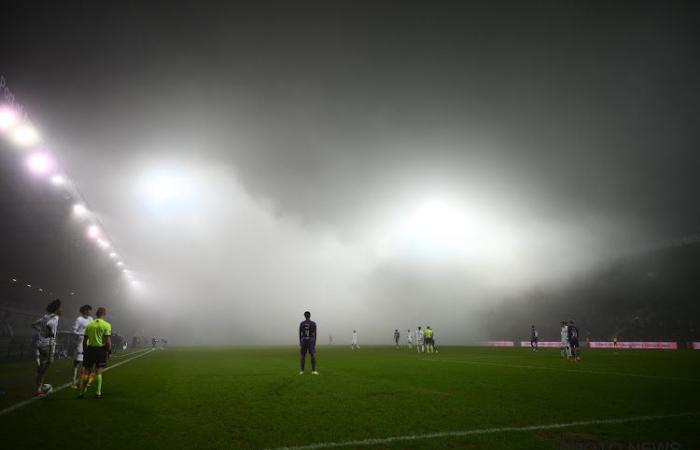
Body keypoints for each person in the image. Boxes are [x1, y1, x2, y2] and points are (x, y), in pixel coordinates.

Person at [31, 299, 63, 397]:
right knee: (46, 365)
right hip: (48, 345)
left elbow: (33, 324)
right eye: (61, 308)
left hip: (41, 344)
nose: (62, 309)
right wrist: (50, 333)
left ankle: (40, 384)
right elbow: (49, 325)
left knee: (43, 365)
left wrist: (41, 332)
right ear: (57, 309)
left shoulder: (46, 316)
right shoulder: (55, 317)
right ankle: (39, 388)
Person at [78, 307, 112, 399]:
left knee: (87, 372)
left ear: (96, 314)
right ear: (104, 314)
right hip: (100, 350)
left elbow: (85, 341)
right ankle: (98, 393)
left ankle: (81, 393)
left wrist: (85, 352)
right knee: (98, 372)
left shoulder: (89, 325)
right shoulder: (106, 325)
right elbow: (108, 341)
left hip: (89, 350)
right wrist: (109, 351)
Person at [71, 305, 93, 388]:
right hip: (80, 343)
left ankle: (82, 381)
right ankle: (73, 382)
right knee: (76, 363)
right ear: (84, 310)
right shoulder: (79, 319)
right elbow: (74, 331)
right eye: (88, 310)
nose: (90, 311)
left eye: (90, 310)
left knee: (87, 364)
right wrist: (81, 334)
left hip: (89, 343)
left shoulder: (91, 319)